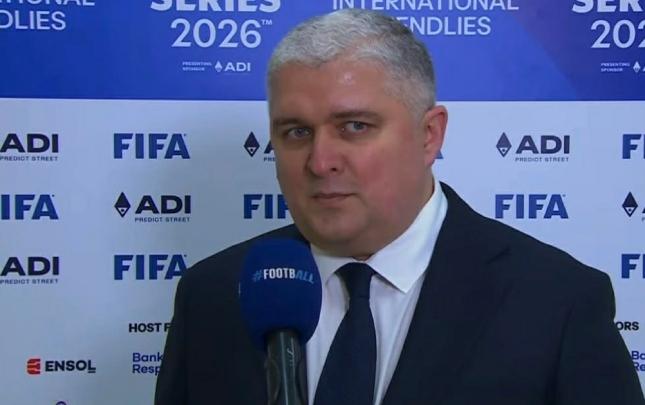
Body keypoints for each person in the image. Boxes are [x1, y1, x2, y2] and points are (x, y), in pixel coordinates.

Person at [155, 8, 644, 405]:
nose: (320, 161)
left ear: (429, 135)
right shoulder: (213, 295)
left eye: (354, 127)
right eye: (296, 132)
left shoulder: (557, 302)